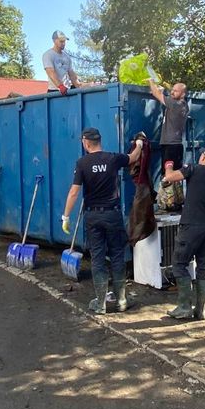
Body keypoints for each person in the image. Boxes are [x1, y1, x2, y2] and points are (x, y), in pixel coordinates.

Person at [62, 127, 142, 314]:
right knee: (117, 255)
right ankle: (121, 300)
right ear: (99, 141)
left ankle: (101, 303)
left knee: (98, 258)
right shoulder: (112, 158)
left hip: (93, 216)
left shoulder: (82, 163)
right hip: (112, 214)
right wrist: (139, 144)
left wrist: (66, 216)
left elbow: (74, 192)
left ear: (86, 142)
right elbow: (133, 158)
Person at [161, 145, 205, 321]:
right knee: (203, 266)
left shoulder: (194, 169)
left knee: (179, 264)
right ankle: (200, 311)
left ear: (203, 157)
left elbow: (170, 177)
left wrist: (168, 164)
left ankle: (184, 308)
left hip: (191, 226)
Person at [147, 79, 188, 174]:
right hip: (173, 145)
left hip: (171, 146)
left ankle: (167, 188)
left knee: (168, 176)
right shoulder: (182, 105)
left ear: (182, 95)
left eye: (176, 91)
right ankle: (173, 188)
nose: (172, 92)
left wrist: (151, 81)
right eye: (172, 90)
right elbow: (162, 96)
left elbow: (156, 93)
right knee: (174, 175)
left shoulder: (175, 104)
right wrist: (160, 91)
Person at [43, 30, 80, 94]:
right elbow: (50, 72)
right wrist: (60, 86)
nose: (63, 43)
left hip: (67, 90)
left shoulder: (67, 57)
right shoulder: (48, 55)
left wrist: (79, 85)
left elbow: (72, 74)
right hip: (55, 90)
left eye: (64, 41)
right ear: (54, 41)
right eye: (61, 41)